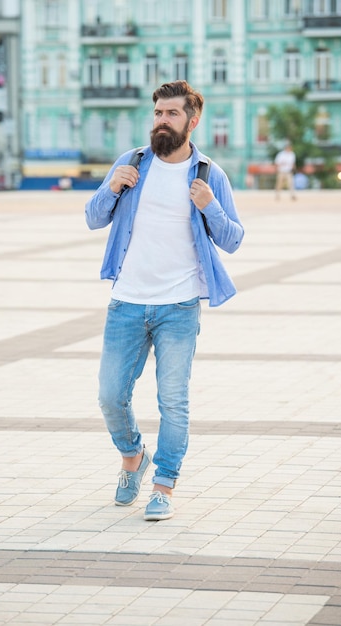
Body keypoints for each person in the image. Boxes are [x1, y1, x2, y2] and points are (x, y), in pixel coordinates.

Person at [85, 80, 244, 521]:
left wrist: (210, 205)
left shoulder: (209, 174)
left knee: (173, 401)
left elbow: (233, 239)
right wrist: (112, 188)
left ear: (192, 121)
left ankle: (164, 486)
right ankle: (133, 455)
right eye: (157, 113)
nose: (162, 120)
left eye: (172, 114)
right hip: (127, 302)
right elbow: (94, 218)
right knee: (109, 395)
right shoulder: (131, 163)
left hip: (178, 306)